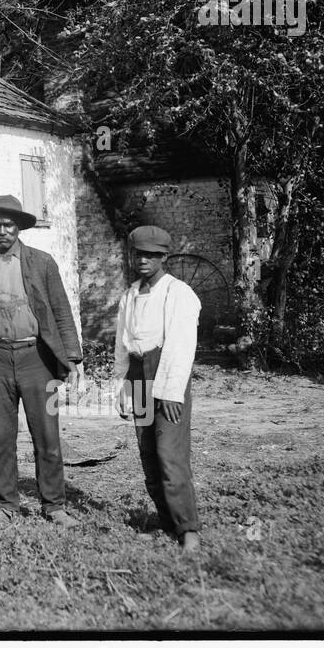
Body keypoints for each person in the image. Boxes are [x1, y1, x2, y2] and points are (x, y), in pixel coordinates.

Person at [0, 194, 84, 525]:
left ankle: (54, 505)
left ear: (18, 227)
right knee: (0, 436)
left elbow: (60, 309)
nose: (2, 230)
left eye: (8, 224)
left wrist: (72, 357)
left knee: (47, 435)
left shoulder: (42, 262)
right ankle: (6, 506)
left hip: (36, 357)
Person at [113, 225, 203, 553]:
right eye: (138, 254)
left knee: (170, 454)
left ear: (164, 257)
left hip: (166, 374)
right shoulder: (129, 295)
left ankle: (188, 528)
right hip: (138, 374)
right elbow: (123, 344)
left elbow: (181, 346)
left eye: (152, 255)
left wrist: (170, 393)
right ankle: (167, 522)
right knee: (148, 452)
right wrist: (122, 385)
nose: (144, 261)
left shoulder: (178, 293)